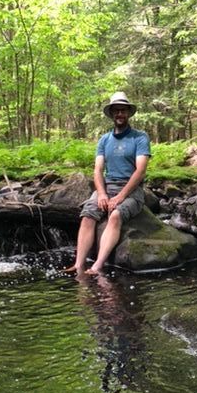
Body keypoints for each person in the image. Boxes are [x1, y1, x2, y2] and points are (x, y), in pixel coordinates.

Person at [65, 92, 151, 275]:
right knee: (88, 215)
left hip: (131, 190)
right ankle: (79, 265)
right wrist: (102, 193)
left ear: (128, 113)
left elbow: (140, 171)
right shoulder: (104, 139)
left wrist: (120, 196)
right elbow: (97, 170)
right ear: (111, 113)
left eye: (123, 110)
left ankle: (97, 265)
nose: (120, 114)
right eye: (116, 110)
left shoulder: (140, 137)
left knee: (115, 215)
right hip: (107, 186)